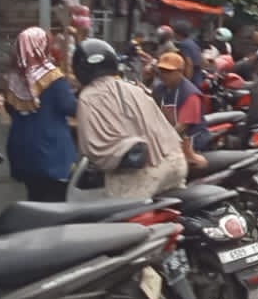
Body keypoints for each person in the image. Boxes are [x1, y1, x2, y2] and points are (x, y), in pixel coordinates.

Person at [73, 38, 190, 199]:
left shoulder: (88, 97)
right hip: (176, 164)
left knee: (114, 212)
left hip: (144, 175)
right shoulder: (134, 88)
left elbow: (93, 148)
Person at [1, 26, 78, 202]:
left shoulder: (14, 78)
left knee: (34, 197)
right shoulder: (52, 76)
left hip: (23, 150)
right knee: (54, 202)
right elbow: (69, 107)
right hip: (51, 150)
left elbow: (10, 108)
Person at [152, 51, 211, 160]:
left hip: (191, 142)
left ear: (180, 72)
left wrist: (160, 141)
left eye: (169, 72)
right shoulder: (159, 89)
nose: (164, 75)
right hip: (169, 138)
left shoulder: (190, 94)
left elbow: (181, 127)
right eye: (162, 71)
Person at [171, 19, 206, 85]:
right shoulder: (192, 43)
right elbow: (203, 61)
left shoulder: (183, 44)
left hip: (192, 81)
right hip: (198, 78)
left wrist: (186, 82)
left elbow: (189, 63)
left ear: (177, 33)